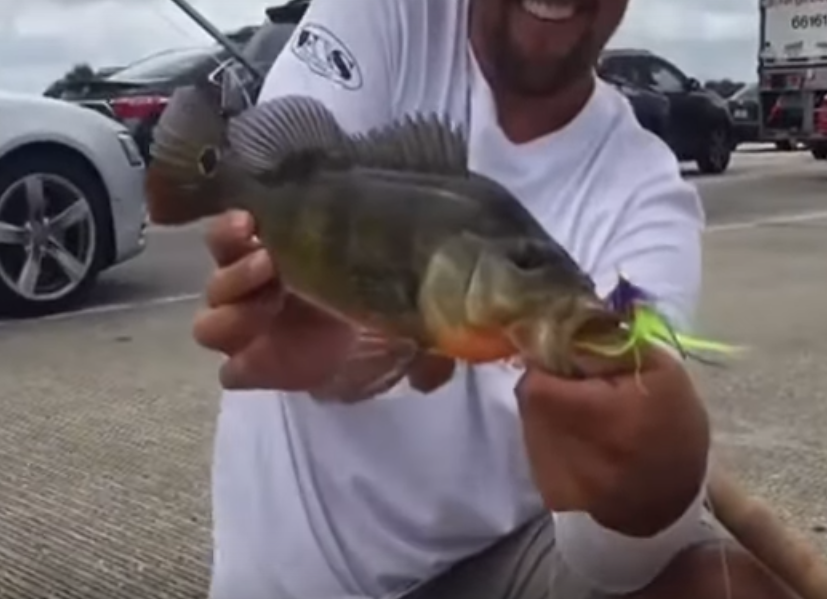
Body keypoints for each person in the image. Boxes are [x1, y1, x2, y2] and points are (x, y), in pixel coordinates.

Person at [193, 0, 794, 597]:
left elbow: (608, 563)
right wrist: (307, 314)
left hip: (499, 564)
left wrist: (647, 501)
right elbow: (287, 181)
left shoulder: (647, 195)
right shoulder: (390, 13)